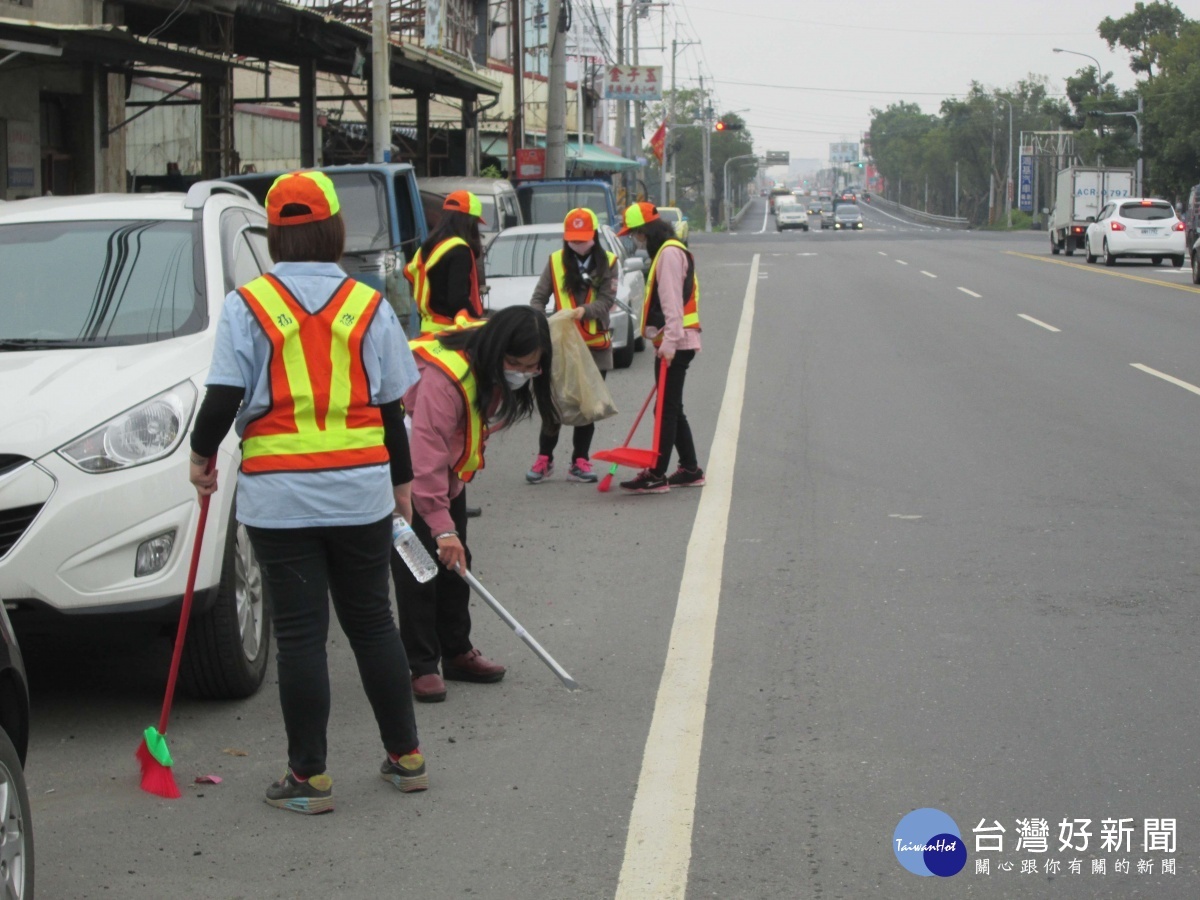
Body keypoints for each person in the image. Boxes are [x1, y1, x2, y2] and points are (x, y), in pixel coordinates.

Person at [188, 170, 427, 815]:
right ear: (333, 230)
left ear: (274, 235)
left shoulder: (248, 306)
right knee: (373, 622)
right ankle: (406, 758)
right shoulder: (369, 305)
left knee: (299, 636)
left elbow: (222, 399)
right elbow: (389, 411)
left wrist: (201, 458)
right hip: (360, 492)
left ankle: (309, 777)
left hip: (281, 498)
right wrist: (400, 486)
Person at [395, 305, 557, 702]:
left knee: (456, 561)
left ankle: (455, 650)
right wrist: (440, 524)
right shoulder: (443, 379)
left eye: (532, 366)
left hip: (444, 474)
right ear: (497, 351)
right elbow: (425, 456)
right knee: (420, 568)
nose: (523, 372)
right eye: (516, 363)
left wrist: (450, 528)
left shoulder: (489, 360)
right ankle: (421, 665)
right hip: (403, 472)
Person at [615, 201, 706, 494]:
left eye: (635, 234)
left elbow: (672, 304)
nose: (634, 239)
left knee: (665, 410)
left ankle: (656, 473)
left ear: (646, 231)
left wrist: (669, 343)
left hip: (676, 342)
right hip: (677, 340)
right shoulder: (671, 250)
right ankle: (690, 469)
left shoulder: (668, 254)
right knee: (671, 408)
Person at [526, 207, 617, 484]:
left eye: (582, 239)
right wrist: (543, 324)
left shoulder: (608, 262)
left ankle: (580, 460)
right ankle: (545, 458)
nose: (577, 244)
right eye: (572, 239)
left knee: (586, 406)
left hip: (593, 347)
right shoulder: (555, 261)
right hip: (559, 348)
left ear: (593, 237)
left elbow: (606, 301)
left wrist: (583, 311)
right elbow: (538, 299)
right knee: (552, 403)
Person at [405, 190, 487, 336]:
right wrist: (478, 320)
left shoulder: (426, 248)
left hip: (426, 330)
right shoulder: (459, 250)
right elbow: (457, 300)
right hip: (451, 334)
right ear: (468, 221)